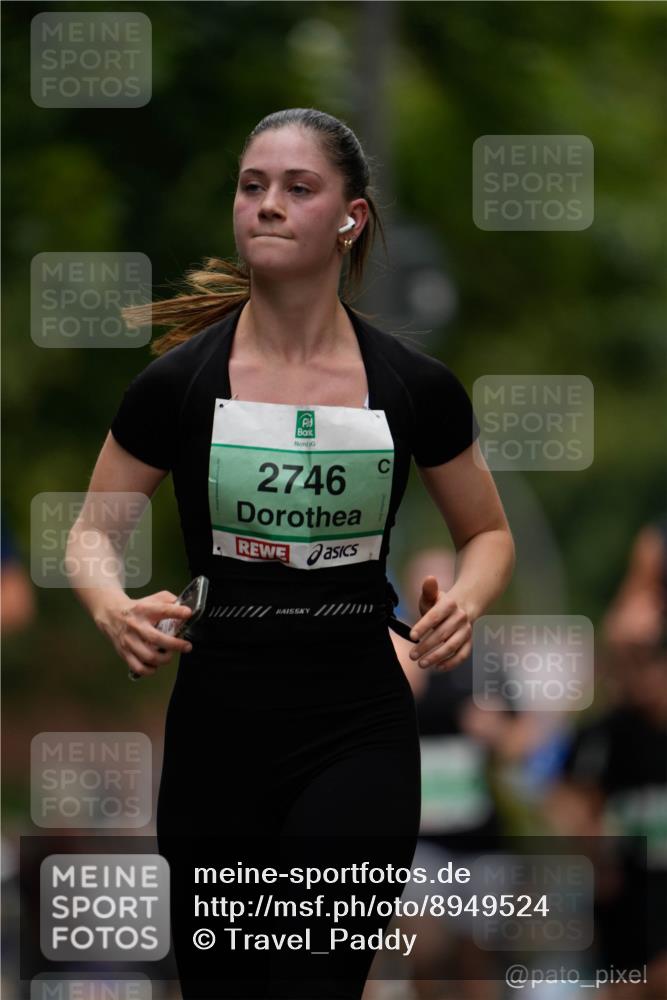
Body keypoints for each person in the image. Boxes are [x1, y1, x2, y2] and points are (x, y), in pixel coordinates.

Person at [66, 108, 515, 1000]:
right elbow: (88, 534)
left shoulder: (412, 387)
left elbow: (487, 532)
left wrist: (465, 600)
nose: (266, 204)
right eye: (251, 186)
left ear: (349, 218)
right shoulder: (177, 384)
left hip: (356, 733)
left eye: (296, 188)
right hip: (216, 738)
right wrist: (112, 606)